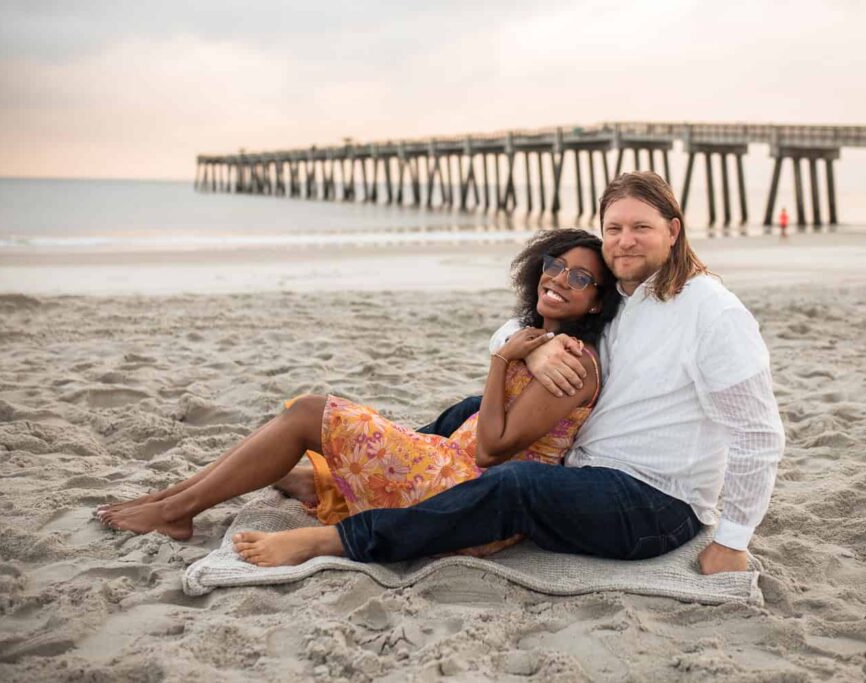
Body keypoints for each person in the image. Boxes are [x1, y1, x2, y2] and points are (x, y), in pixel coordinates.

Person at [231, 172, 784, 575]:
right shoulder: (620, 293)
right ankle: (362, 482)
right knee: (471, 410)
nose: (624, 241)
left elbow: (759, 435)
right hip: (588, 467)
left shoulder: (714, 312)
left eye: (641, 227)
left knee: (513, 485)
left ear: (673, 230)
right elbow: (517, 326)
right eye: (613, 228)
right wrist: (534, 353)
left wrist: (732, 541)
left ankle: (338, 539)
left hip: (653, 502)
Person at [95, 229, 620, 545]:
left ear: (596, 302)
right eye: (555, 265)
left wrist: (501, 359)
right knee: (309, 417)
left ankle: (174, 513)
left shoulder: (571, 363)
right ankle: (170, 499)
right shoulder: (539, 340)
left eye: (579, 278)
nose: (558, 278)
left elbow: (490, 449)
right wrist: (518, 350)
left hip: (467, 493)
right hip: (445, 466)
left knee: (308, 412)